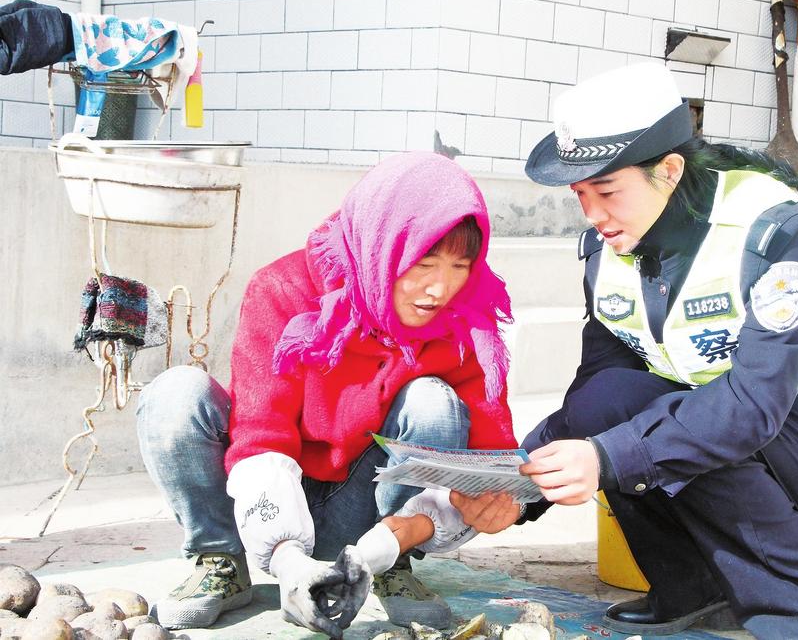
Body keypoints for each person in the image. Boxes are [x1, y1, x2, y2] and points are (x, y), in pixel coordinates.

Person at [506, 62, 798, 639]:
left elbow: (752, 407)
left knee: (691, 422)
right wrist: (517, 487)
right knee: (613, 399)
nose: (593, 215)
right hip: (763, 432)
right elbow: (597, 398)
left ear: (669, 170)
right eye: (580, 194)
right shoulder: (609, 250)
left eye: (607, 191)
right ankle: (693, 588)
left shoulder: (772, 232)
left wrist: (605, 458)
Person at [135, 152, 520, 636]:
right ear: (379, 246)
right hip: (262, 504)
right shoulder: (284, 289)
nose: (440, 289)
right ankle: (221, 561)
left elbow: (489, 460)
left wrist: (497, 499)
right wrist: (288, 561)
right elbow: (260, 434)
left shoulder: (465, 321)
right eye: (423, 263)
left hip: (366, 516)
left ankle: (391, 566)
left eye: (460, 265)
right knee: (175, 394)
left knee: (433, 400)